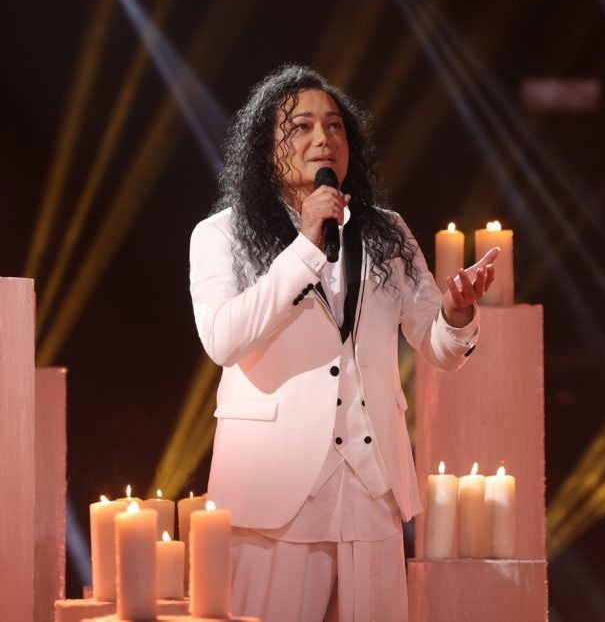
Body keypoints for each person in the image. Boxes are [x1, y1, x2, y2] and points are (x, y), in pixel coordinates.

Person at [189, 65, 497, 621]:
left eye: (334, 125)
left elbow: (435, 345)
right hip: (274, 493)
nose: (323, 137)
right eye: (301, 126)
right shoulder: (221, 235)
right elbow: (223, 340)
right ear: (265, 148)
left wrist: (457, 312)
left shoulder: (387, 231)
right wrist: (306, 246)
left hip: (371, 491)